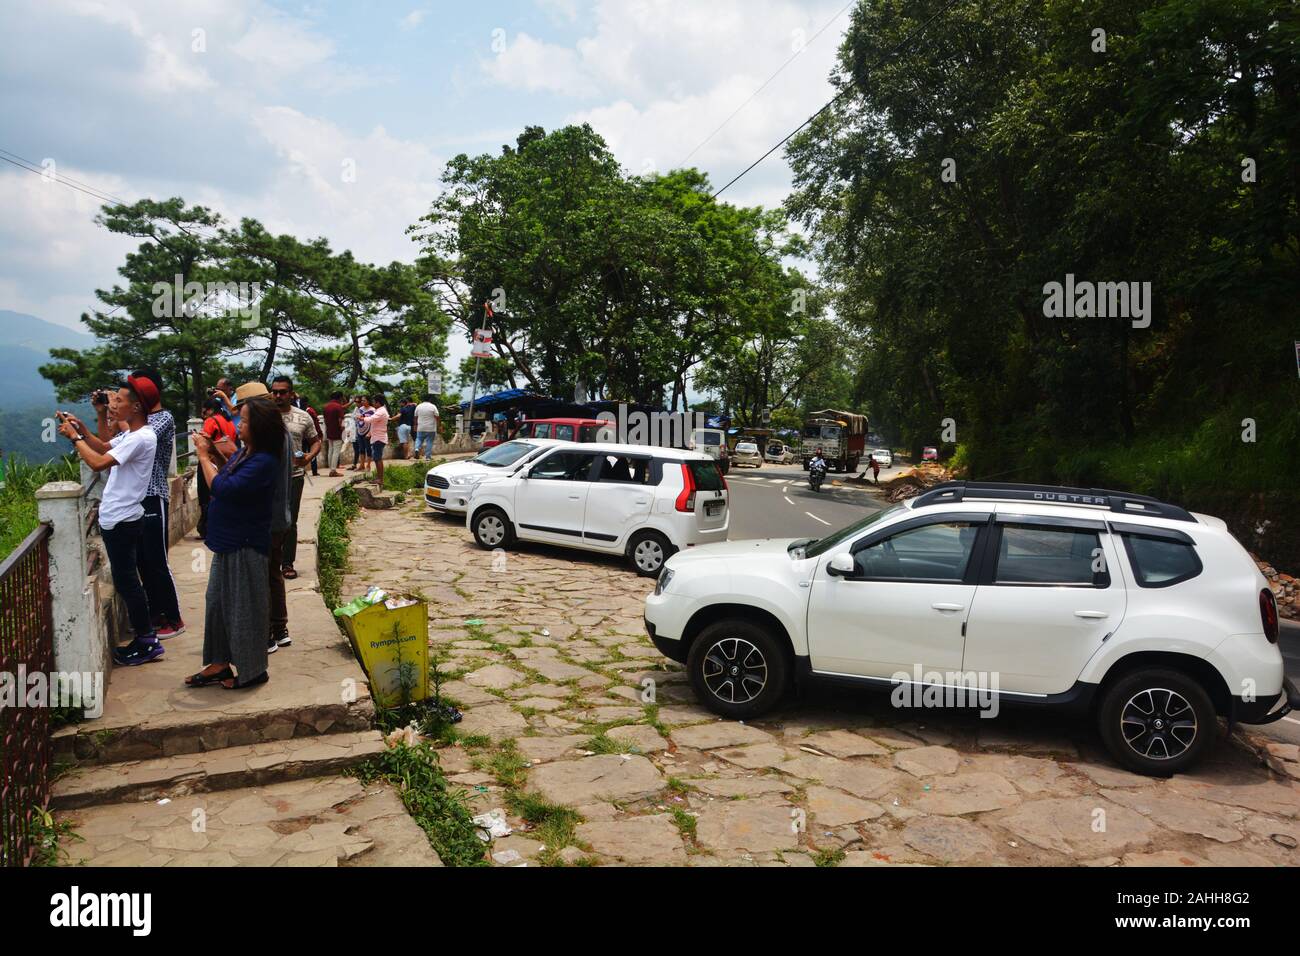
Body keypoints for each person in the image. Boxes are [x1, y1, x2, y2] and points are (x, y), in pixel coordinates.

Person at [185, 392, 285, 690]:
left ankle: (254, 670)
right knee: (216, 603)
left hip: (245, 542)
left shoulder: (265, 461)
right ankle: (218, 663)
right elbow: (228, 472)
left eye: (244, 420)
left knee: (243, 609)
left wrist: (203, 456)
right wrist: (214, 454)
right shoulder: (247, 453)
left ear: (260, 427)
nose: (238, 425)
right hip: (228, 541)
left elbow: (225, 488)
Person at [57, 382, 162, 666]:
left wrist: (74, 439)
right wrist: (81, 429)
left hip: (121, 519)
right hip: (122, 517)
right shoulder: (135, 434)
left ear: (137, 406)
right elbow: (104, 446)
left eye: (119, 400)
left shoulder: (141, 438)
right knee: (128, 580)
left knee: (128, 582)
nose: (113, 403)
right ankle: (145, 638)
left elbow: (98, 463)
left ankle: (147, 640)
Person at [270, 375, 320, 580]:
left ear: (291, 394)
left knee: (290, 521)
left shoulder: (303, 417)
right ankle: (270, 561)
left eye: (282, 392)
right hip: (268, 477)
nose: (278, 395)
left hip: (294, 476)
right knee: (268, 519)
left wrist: (308, 456)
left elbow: (316, 441)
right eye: (275, 392)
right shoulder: (265, 415)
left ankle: (287, 563)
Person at [196, 396, 237, 538]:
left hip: (211, 460)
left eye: (204, 412)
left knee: (206, 495)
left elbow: (204, 441)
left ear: (210, 410)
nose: (203, 416)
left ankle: (207, 528)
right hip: (227, 460)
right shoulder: (229, 421)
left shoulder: (210, 421)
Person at [322, 391, 348, 477]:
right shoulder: (338, 406)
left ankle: (331, 469)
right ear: (340, 397)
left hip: (329, 430)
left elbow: (325, 419)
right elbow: (340, 419)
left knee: (331, 450)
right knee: (336, 451)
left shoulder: (326, 406)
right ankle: (333, 471)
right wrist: (342, 428)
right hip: (337, 431)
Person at [368, 395, 391, 487]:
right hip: (378, 437)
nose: (373, 404)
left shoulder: (381, 411)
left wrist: (362, 418)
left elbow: (371, 419)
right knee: (377, 458)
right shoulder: (381, 410)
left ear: (378, 402)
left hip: (379, 438)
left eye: (374, 402)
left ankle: (380, 479)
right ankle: (379, 478)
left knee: (378, 458)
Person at [414, 393, 439, 460]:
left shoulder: (418, 406)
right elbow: (437, 417)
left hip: (421, 427)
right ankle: (428, 457)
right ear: (430, 399)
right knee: (429, 442)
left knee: (418, 439)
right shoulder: (433, 406)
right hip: (431, 428)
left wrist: (415, 425)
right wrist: (439, 425)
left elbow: (415, 417)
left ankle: (416, 449)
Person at [351, 395, 372, 472]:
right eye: (362, 400)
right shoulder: (360, 409)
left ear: (368, 401)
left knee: (368, 448)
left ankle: (368, 465)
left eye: (364, 400)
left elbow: (373, 422)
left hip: (368, 432)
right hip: (359, 431)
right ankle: (362, 465)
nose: (362, 402)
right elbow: (356, 418)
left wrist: (370, 432)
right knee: (361, 449)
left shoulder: (372, 410)